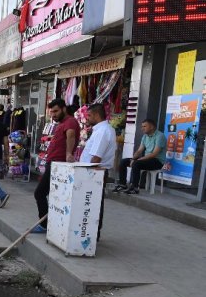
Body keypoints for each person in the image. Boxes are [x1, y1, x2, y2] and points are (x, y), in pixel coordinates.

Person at [31, 99, 80, 233]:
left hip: (58, 164)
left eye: (56, 111)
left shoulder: (70, 121)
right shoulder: (63, 123)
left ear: (64, 109)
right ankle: (51, 224)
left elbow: (71, 135)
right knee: (52, 195)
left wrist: (69, 154)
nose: (53, 115)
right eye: (51, 112)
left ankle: (44, 224)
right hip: (53, 163)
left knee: (39, 193)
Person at [81, 103, 116, 241]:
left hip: (94, 172)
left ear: (96, 115)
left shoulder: (103, 131)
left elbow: (96, 157)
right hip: (92, 171)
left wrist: (85, 175)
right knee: (92, 203)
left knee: (93, 204)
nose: (87, 118)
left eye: (89, 115)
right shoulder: (101, 130)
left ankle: (92, 235)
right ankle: (90, 234)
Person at [113, 119, 166, 195]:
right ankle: (123, 184)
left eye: (145, 126)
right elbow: (139, 151)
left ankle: (135, 188)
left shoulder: (160, 136)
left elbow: (154, 154)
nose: (142, 128)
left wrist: (138, 160)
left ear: (151, 127)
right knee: (124, 161)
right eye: (142, 126)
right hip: (146, 159)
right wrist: (133, 159)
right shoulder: (145, 136)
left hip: (157, 161)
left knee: (136, 164)